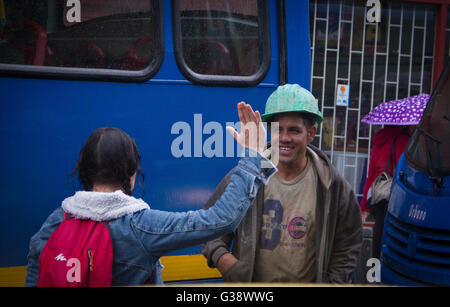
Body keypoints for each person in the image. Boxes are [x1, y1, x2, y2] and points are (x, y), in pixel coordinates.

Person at [25, 102, 276, 286]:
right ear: (132, 173)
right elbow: (220, 220)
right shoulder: (140, 227)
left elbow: (35, 277)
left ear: (84, 171)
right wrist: (253, 156)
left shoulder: (56, 222)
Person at [202, 84, 363, 283]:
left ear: (311, 133)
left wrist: (334, 282)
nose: (285, 138)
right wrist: (225, 262)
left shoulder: (331, 184)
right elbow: (209, 226)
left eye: (294, 130)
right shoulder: (247, 175)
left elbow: (349, 243)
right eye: (279, 130)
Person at [360, 125, 413, 258]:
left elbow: (371, 175)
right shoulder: (404, 141)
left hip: (377, 193)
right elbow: (405, 172)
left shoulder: (379, 140)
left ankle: (375, 267)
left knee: (378, 230)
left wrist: (364, 207)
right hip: (393, 196)